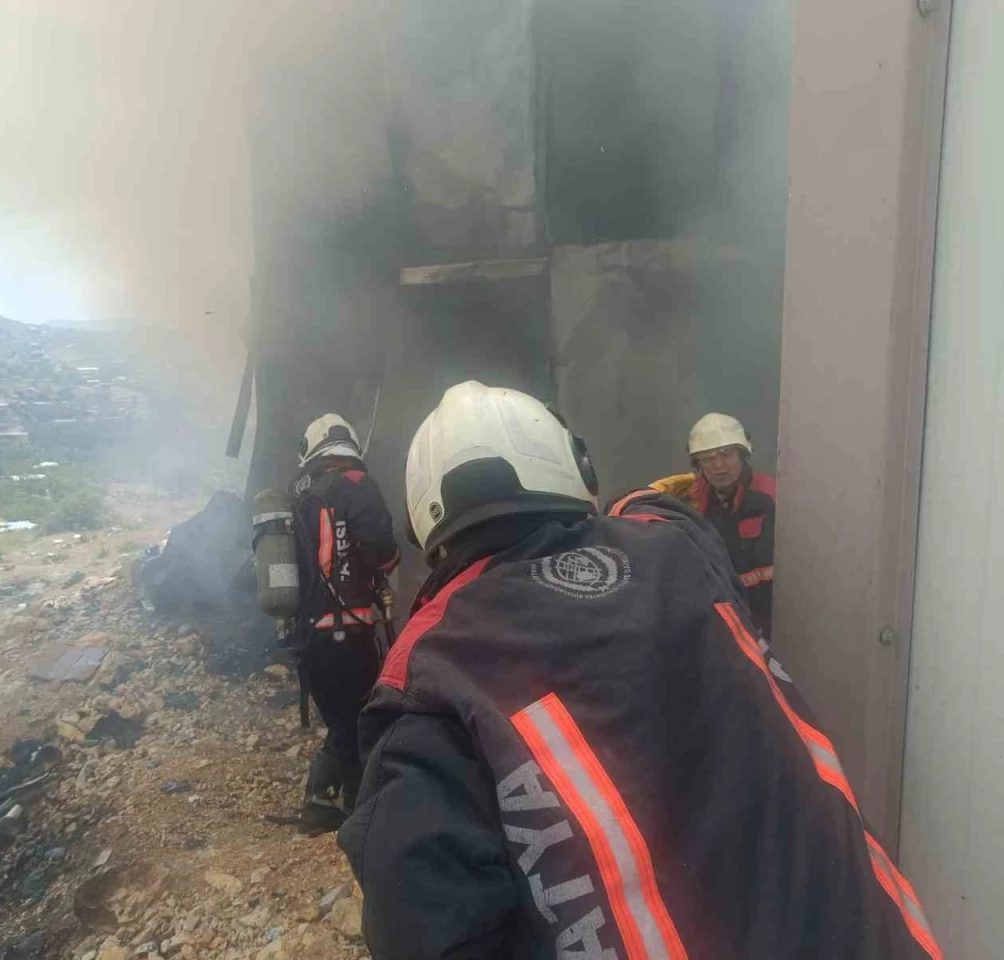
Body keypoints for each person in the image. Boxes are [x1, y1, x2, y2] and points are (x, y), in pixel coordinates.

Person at [339, 381, 941, 960]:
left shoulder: (430, 673)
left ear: (424, 527)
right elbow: (668, 517)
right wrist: (628, 502)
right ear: (578, 470)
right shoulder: (678, 551)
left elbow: (423, 924)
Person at [288, 413, 399, 831]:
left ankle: (329, 803)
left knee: (341, 720)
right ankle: (353, 807)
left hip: (308, 639)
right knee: (361, 718)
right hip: (348, 632)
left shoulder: (300, 494)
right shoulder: (355, 483)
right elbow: (383, 550)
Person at [683, 412, 776, 637]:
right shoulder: (691, 501)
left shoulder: (773, 497)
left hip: (771, 618)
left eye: (726, 454)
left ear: (743, 454)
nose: (718, 465)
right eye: (707, 458)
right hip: (722, 618)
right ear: (698, 464)